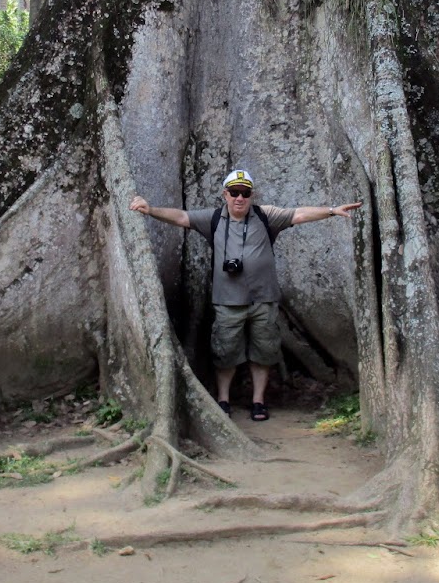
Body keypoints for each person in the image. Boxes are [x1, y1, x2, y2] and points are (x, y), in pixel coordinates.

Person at [129, 169, 361, 422]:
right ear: (225, 194)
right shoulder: (214, 219)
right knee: (225, 352)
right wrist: (150, 210)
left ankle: (258, 401)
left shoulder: (265, 216)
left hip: (264, 299)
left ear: (252, 195)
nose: (240, 198)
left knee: (264, 351)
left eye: (245, 193)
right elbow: (182, 217)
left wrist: (331, 210)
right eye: (235, 193)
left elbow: (299, 213)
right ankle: (223, 399)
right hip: (227, 301)